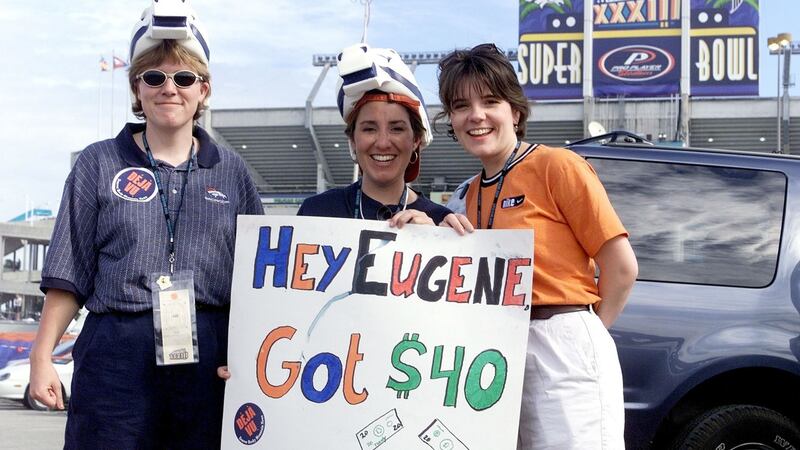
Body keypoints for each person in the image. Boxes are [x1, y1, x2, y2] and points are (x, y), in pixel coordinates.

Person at [28, 3, 263, 448]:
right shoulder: (97, 163)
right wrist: (42, 356)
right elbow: (69, 273)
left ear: (203, 89)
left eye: (184, 78)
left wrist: (251, 358)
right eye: (154, 77)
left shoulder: (233, 173)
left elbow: (257, 283)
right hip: (115, 353)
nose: (168, 89)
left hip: (207, 353)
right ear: (137, 88)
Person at [436, 43, 638, 450]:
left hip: (562, 342)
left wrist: (583, 336)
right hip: (498, 352)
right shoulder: (469, 195)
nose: (475, 115)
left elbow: (621, 267)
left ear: (515, 110)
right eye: (461, 106)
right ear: (452, 121)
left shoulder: (556, 166)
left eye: (490, 101)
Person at [297, 43, 470, 232]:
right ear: (353, 141)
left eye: (397, 129)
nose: (383, 143)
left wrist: (434, 242)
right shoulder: (316, 212)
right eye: (369, 129)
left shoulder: (442, 222)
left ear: (416, 140)